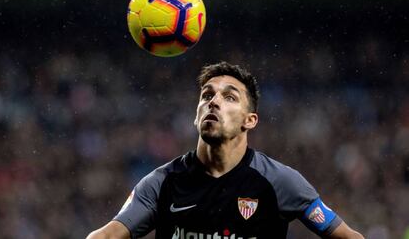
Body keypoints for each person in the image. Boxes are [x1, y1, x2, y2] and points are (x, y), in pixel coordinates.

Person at [87, 61, 364, 239]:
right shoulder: (161, 183)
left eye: (229, 97)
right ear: (196, 116)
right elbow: (106, 236)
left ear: (249, 120)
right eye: (207, 95)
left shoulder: (280, 182)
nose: (213, 102)